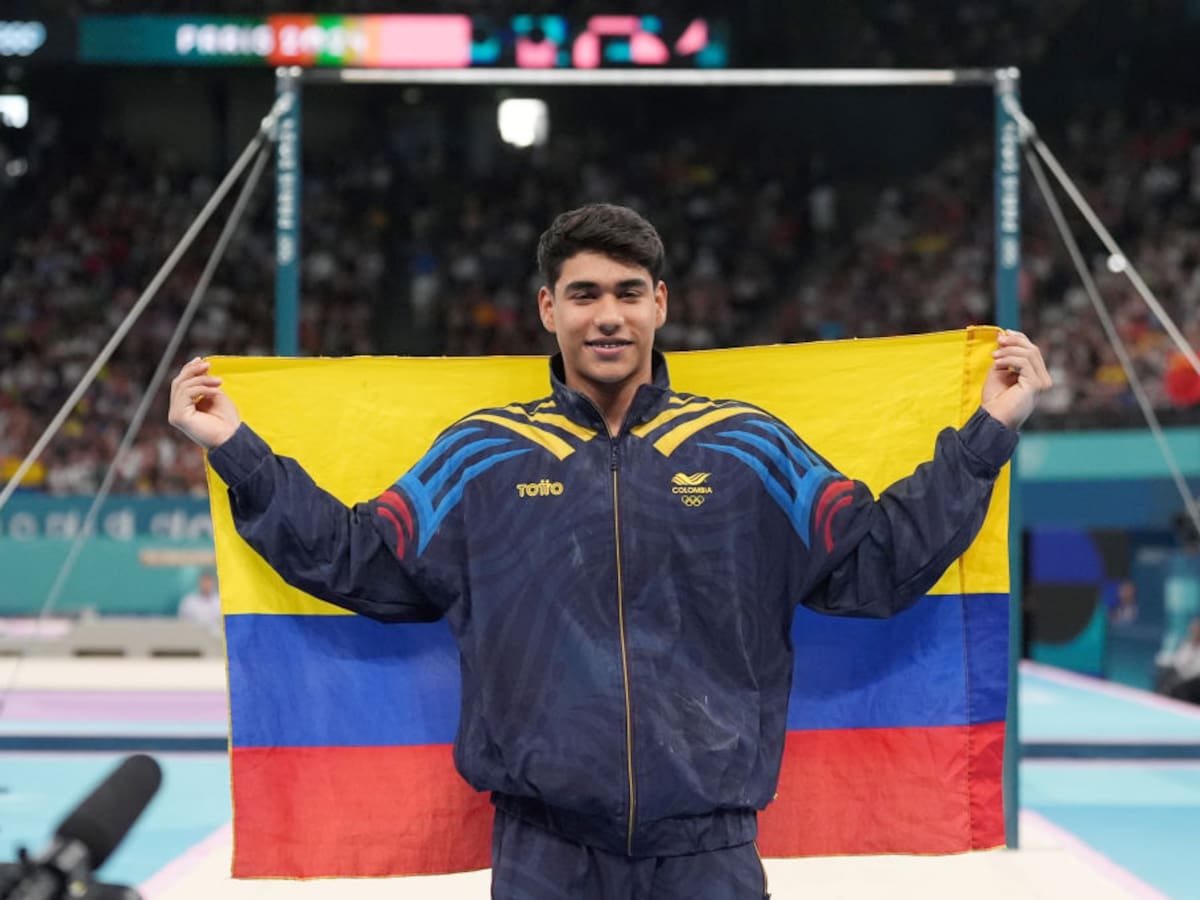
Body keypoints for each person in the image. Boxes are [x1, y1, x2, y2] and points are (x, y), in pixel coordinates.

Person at [168, 204, 1051, 899]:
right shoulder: (483, 453)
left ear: (661, 305)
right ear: (548, 308)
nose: (608, 315)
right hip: (542, 851)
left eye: (629, 292)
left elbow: (877, 563)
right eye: (584, 293)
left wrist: (986, 435)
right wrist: (237, 450)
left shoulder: (749, 447)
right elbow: (364, 561)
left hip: (710, 852)